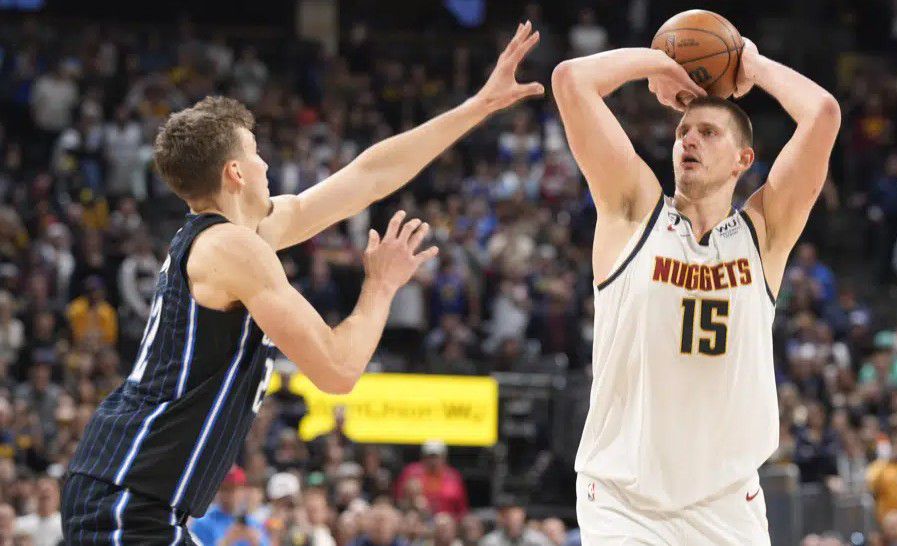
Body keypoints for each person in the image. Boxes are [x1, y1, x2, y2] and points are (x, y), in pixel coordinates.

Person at [60, 23, 544, 544]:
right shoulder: (232, 248)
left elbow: (367, 177)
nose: (267, 162)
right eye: (255, 152)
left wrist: (478, 106)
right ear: (235, 173)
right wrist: (380, 285)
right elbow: (337, 369)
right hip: (127, 500)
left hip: (133, 496)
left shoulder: (237, 237)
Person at [553, 27, 840, 545]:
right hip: (624, 502)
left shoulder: (764, 233)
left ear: (743, 160)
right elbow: (572, 81)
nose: (689, 139)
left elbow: (822, 114)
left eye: (708, 133)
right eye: (684, 131)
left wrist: (751, 65)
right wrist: (657, 64)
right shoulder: (633, 212)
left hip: (725, 505)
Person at [393, 440, 468, 518]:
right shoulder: (411, 472)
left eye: (436, 457)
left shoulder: (453, 476)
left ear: (444, 458)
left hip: (446, 519)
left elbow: (462, 508)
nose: (433, 461)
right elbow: (398, 499)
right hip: (416, 516)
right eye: (430, 457)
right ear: (423, 457)